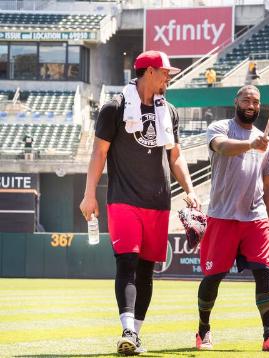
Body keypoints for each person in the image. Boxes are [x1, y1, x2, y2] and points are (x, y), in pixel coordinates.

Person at [79, 50, 200, 356]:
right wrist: (89, 193)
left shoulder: (169, 111)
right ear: (147, 71)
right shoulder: (114, 108)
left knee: (146, 271)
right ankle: (128, 329)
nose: (168, 77)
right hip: (123, 199)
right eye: (164, 72)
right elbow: (99, 154)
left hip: (159, 202)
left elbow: (175, 155)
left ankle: (135, 336)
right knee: (127, 263)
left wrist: (190, 188)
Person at [195, 85, 269, 352]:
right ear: (236, 102)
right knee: (213, 276)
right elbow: (223, 148)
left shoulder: (266, 141)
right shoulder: (220, 128)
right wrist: (251, 144)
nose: (251, 105)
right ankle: (203, 330)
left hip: (255, 217)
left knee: (264, 273)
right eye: (246, 100)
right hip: (222, 215)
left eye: (256, 101)